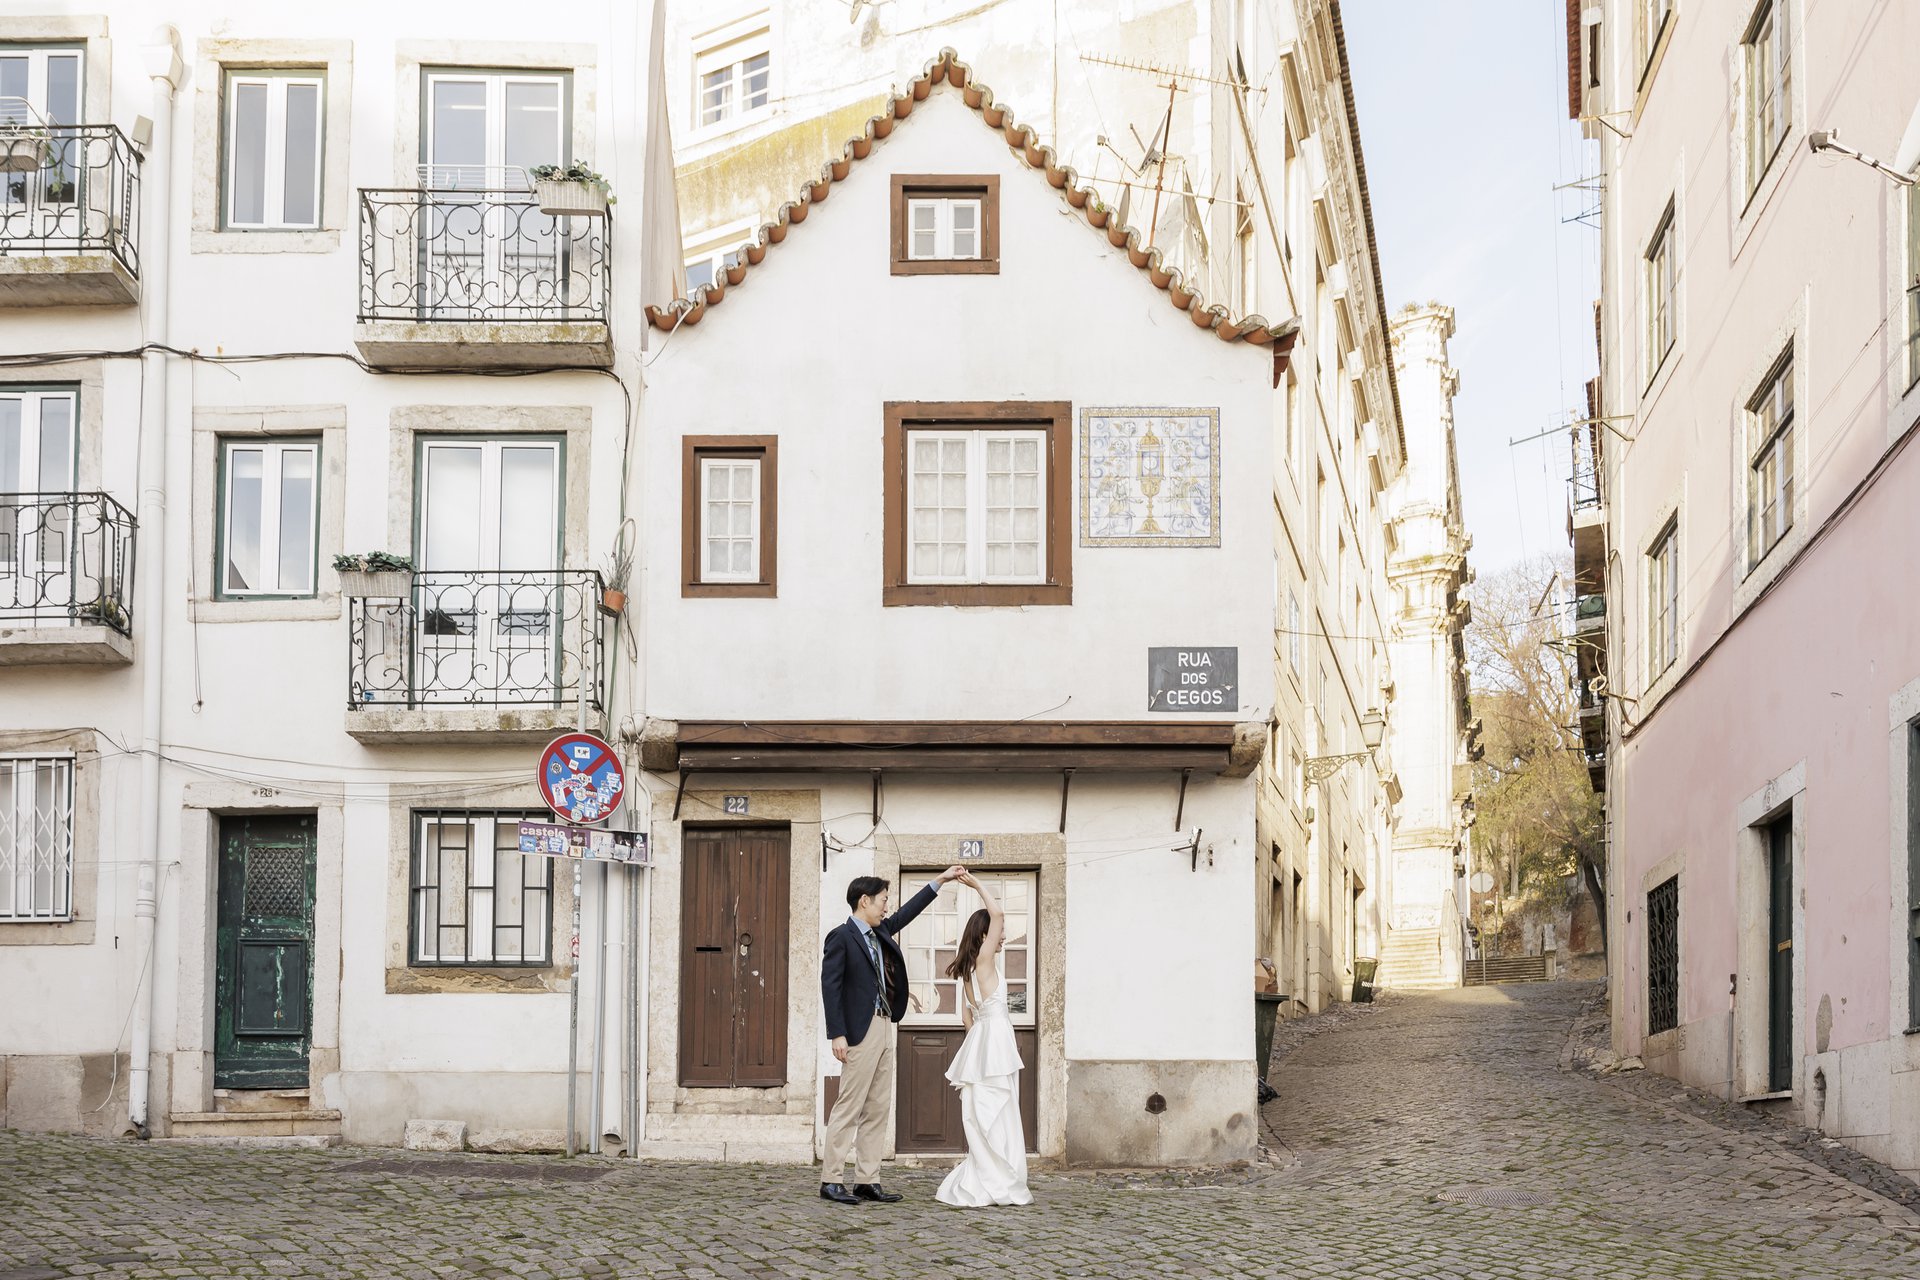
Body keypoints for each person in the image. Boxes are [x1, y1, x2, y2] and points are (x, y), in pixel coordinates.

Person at [818, 865, 966, 1205]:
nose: (887, 907)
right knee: (849, 1105)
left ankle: (867, 1180)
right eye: (883, 900)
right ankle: (831, 1179)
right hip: (859, 1031)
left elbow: (907, 913)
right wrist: (837, 1033)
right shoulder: (841, 937)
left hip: (885, 1024)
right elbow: (831, 987)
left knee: (878, 1107)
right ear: (864, 901)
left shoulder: (881, 931)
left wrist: (940, 880)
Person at [935, 870, 1033, 1208]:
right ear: (984, 934)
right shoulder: (985, 960)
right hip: (995, 1042)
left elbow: (967, 1019)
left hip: (981, 1041)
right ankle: (1001, 1180)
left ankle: (986, 1175)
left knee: (983, 1113)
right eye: (998, 933)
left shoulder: (967, 971)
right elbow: (998, 913)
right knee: (1002, 1111)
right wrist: (976, 884)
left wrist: (978, 1049)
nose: (1003, 936)